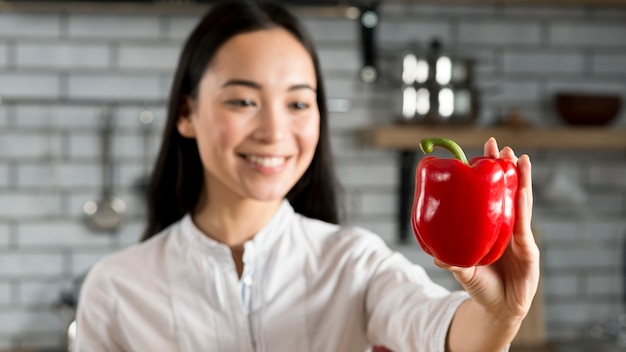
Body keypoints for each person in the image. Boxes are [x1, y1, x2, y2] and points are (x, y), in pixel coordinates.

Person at [73, 1, 539, 351]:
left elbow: (436, 327)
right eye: (242, 101)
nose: (275, 131)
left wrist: (499, 314)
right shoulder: (116, 288)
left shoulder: (354, 263)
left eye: (298, 103)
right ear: (186, 114)